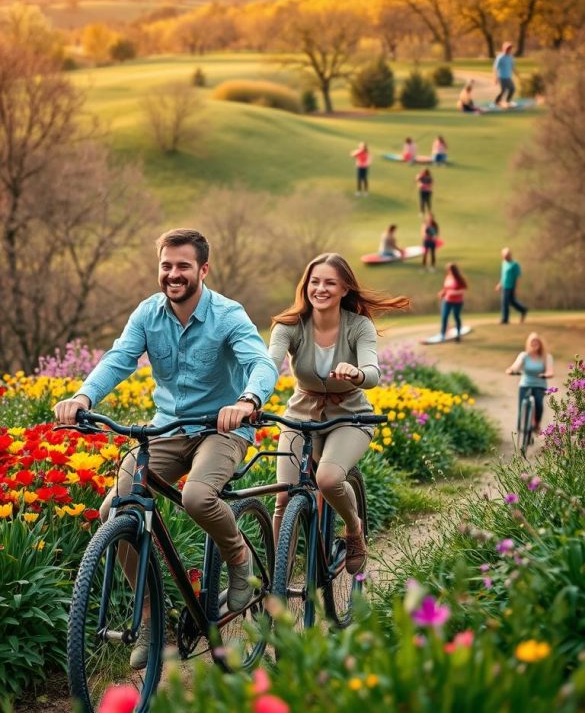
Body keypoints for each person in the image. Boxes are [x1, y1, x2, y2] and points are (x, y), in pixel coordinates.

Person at [53, 227, 278, 667]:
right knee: (115, 510)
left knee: (196, 495)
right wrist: (83, 398)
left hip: (222, 429)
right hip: (167, 429)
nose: (173, 274)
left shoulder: (228, 314)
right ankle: (155, 616)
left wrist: (246, 401)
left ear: (203, 269)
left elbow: (260, 362)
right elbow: (119, 359)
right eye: (166, 265)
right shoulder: (148, 314)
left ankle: (238, 559)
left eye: (183, 266)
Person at [268, 253, 408, 572]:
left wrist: (357, 374)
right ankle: (277, 583)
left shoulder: (358, 326)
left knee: (329, 479)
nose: (321, 289)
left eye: (330, 282)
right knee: (284, 496)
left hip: (350, 416)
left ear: (344, 289)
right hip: (301, 416)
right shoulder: (288, 326)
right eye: (314, 282)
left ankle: (354, 529)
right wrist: (250, 395)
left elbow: (372, 371)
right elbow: (269, 365)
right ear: (305, 286)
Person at [505, 332, 554, 435]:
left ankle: (536, 424)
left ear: (540, 344)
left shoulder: (546, 357)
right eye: (532, 342)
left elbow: (550, 371)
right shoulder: (524, 355)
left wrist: (546, 375)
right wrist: (511, 370)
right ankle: (520, 427)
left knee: (538, 405)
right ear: (528, 343)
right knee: (522, 405)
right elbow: (516, 366)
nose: (534, 344)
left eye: (537, 342)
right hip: (525, 384)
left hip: (539, 385)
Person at [496, 247, 528, 324]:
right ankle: (523, 309)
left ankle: (505, 319)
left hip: (511, 286)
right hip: (504, 286)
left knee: (505, 302)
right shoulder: (504, 263)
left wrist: (516, 287)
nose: (505, 258)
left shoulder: (515, 264)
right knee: (512, 302)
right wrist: (500, 284)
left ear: (510, 255)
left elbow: (518, 277)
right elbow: (503, 275)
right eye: (504, 256)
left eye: (507, 256)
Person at [438, 263, 467, 340]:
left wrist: (454, 292)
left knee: (456, 317)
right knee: (444, 317)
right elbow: (446, 288)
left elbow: (463, 290)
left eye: (450, 270)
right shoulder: (448, 278)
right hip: (447, 300)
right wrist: (442, 293)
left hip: (457, 302)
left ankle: (458, 333)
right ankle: (443, 334)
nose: (448, 271)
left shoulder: (459, 279)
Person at [493, 41, 516, 106]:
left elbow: (512, 66)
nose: (509, 49)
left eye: (510, 48)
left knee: (512, 89)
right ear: (504, 49)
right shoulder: (500, 57)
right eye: (508, 48)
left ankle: (507, 101)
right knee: (503, 90)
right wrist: (495, 78)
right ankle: (497, 102)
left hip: (508, 77)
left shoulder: (511, 57)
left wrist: (517, 74)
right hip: (502, 77)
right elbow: (495, 68)